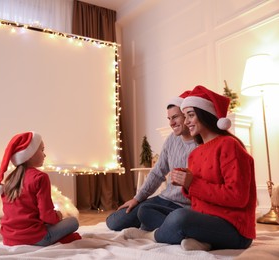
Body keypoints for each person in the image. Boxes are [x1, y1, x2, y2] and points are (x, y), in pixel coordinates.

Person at [125, 85, 256, 251]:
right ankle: (202, 241)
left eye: (191, 115)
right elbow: (198, 198)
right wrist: (185, 183)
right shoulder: (196, 153)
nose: (186, 121)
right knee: (158, 213)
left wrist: (192, 183)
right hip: (206, 220)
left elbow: (238, 197)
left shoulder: (229, 145)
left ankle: (151, 235)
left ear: (205, 115)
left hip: (236, 230)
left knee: (180, 217)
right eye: (185, 116)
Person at [106, 90, 197, 232]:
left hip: (186, 207)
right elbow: (157, 173)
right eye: (169, 119)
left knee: (168, 220)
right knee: (114, 221)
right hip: (165, 200)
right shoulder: (172, 139)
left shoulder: (202, 144)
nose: (171, 123)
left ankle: (163, 226)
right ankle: (159, 225)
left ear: (186, 116)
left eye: (175, 117)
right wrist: (137, 199)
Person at [0, 131, 81, 246]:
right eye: (42, 150)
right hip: (35, 238)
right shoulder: (40, 177)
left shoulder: (10, 178)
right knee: (73, 222)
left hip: (9, 239)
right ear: (30, 154)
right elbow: (47, 216)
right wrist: (58, 215)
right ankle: (50, 238)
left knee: (49, 223)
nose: (45, 155)